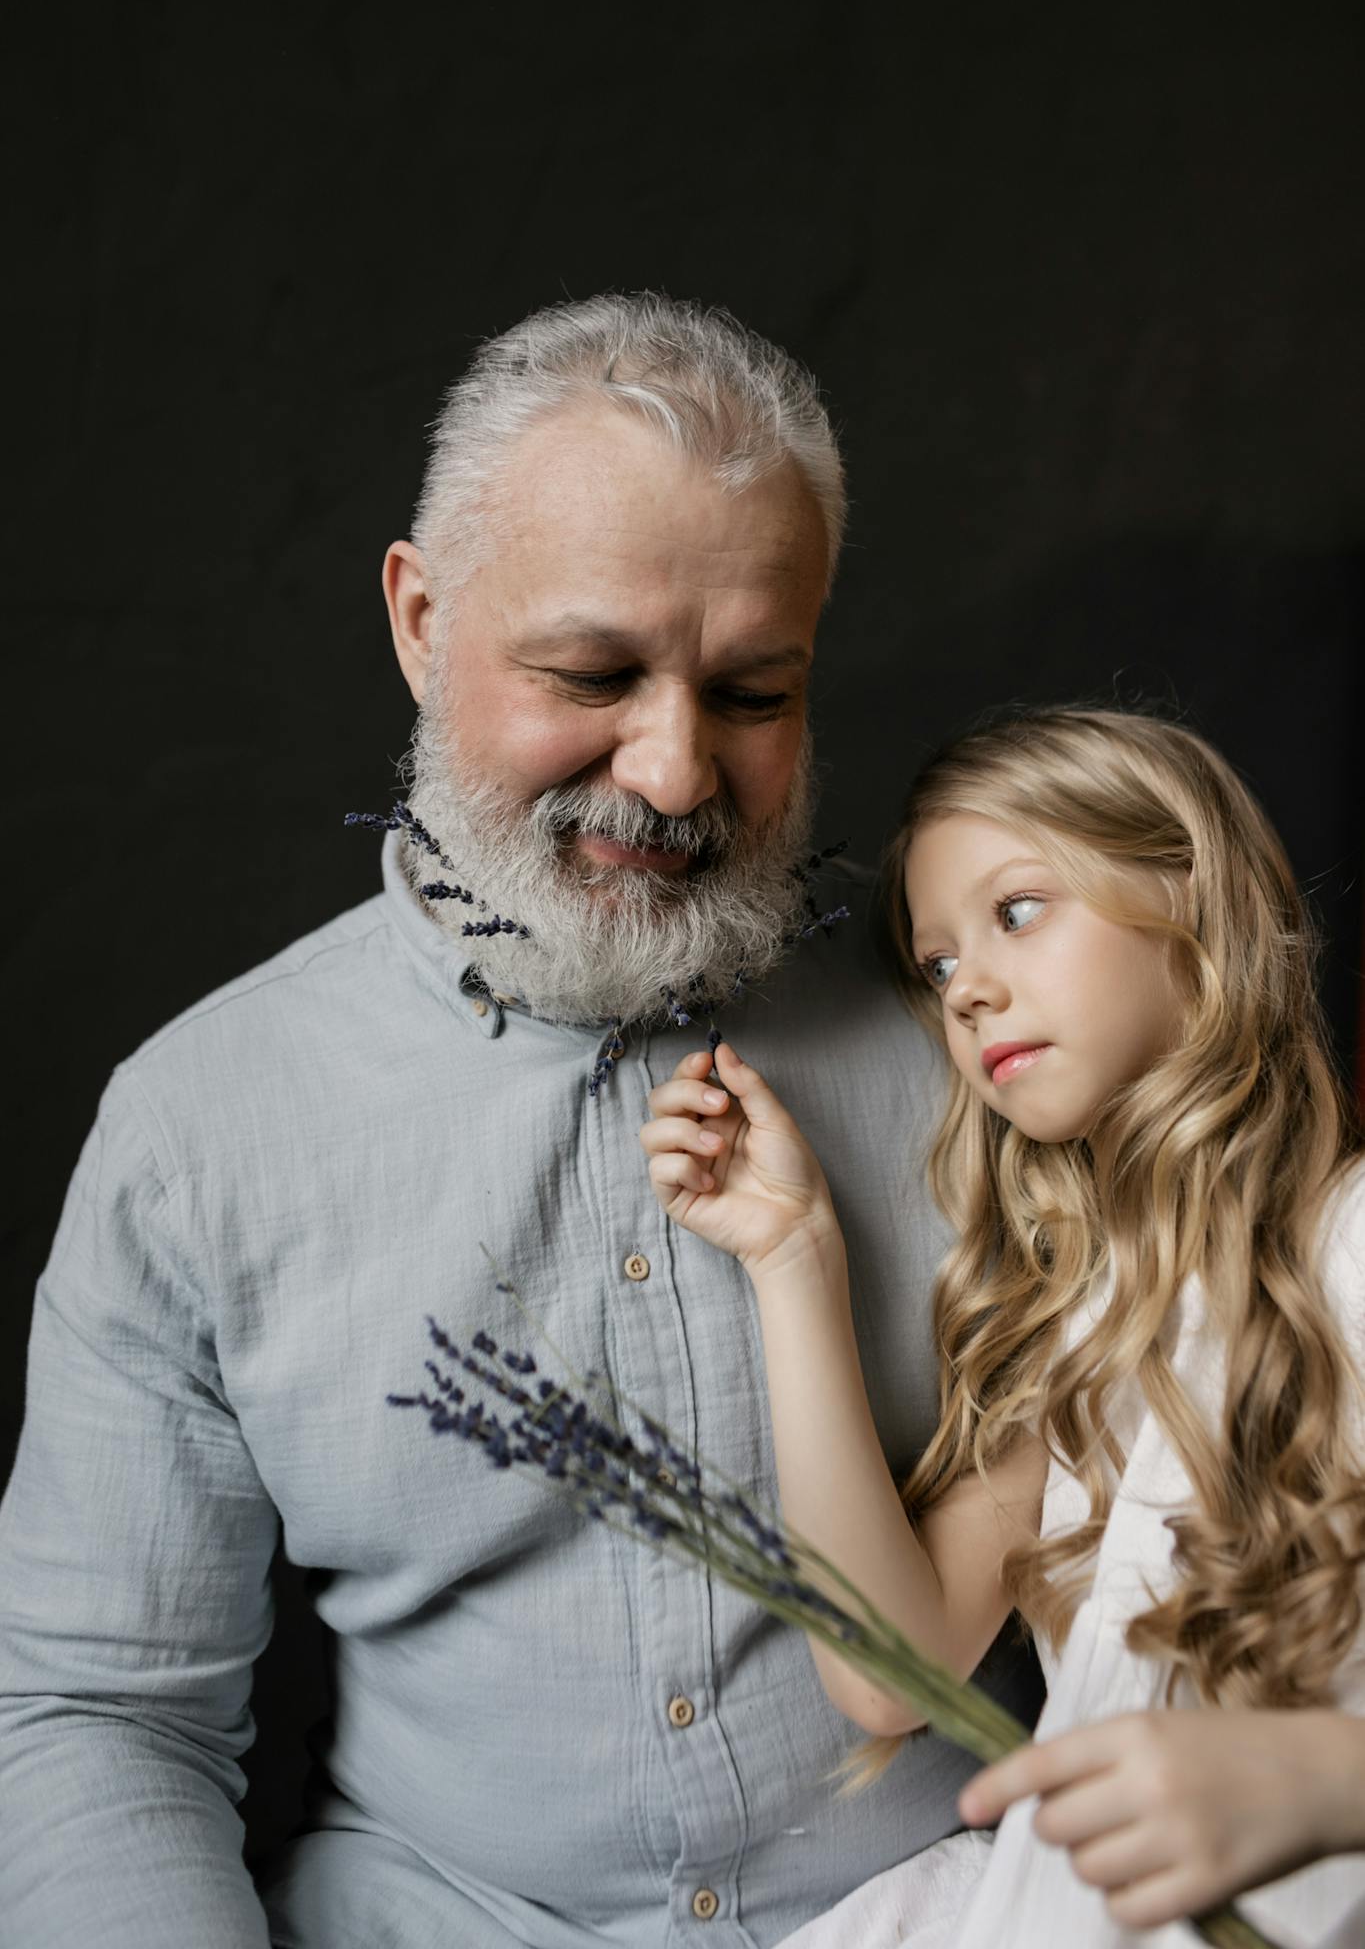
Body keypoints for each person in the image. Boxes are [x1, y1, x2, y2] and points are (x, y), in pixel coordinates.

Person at [0, 293, 1041, 1949]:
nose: (680, 768)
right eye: (593, 671)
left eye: (756, 691)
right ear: (420, 620)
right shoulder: (199, 1128)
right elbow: (103, 1718)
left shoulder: (999, 1035)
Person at [641, 707, 1365, 1948]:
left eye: (1017, 909)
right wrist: (794, 1259)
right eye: (934, 964)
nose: (966, 987)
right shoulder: (1088, 1321)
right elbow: (885, 1669)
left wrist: (1324, 1777)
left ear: (1191, 890)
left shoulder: (1348, 1248)